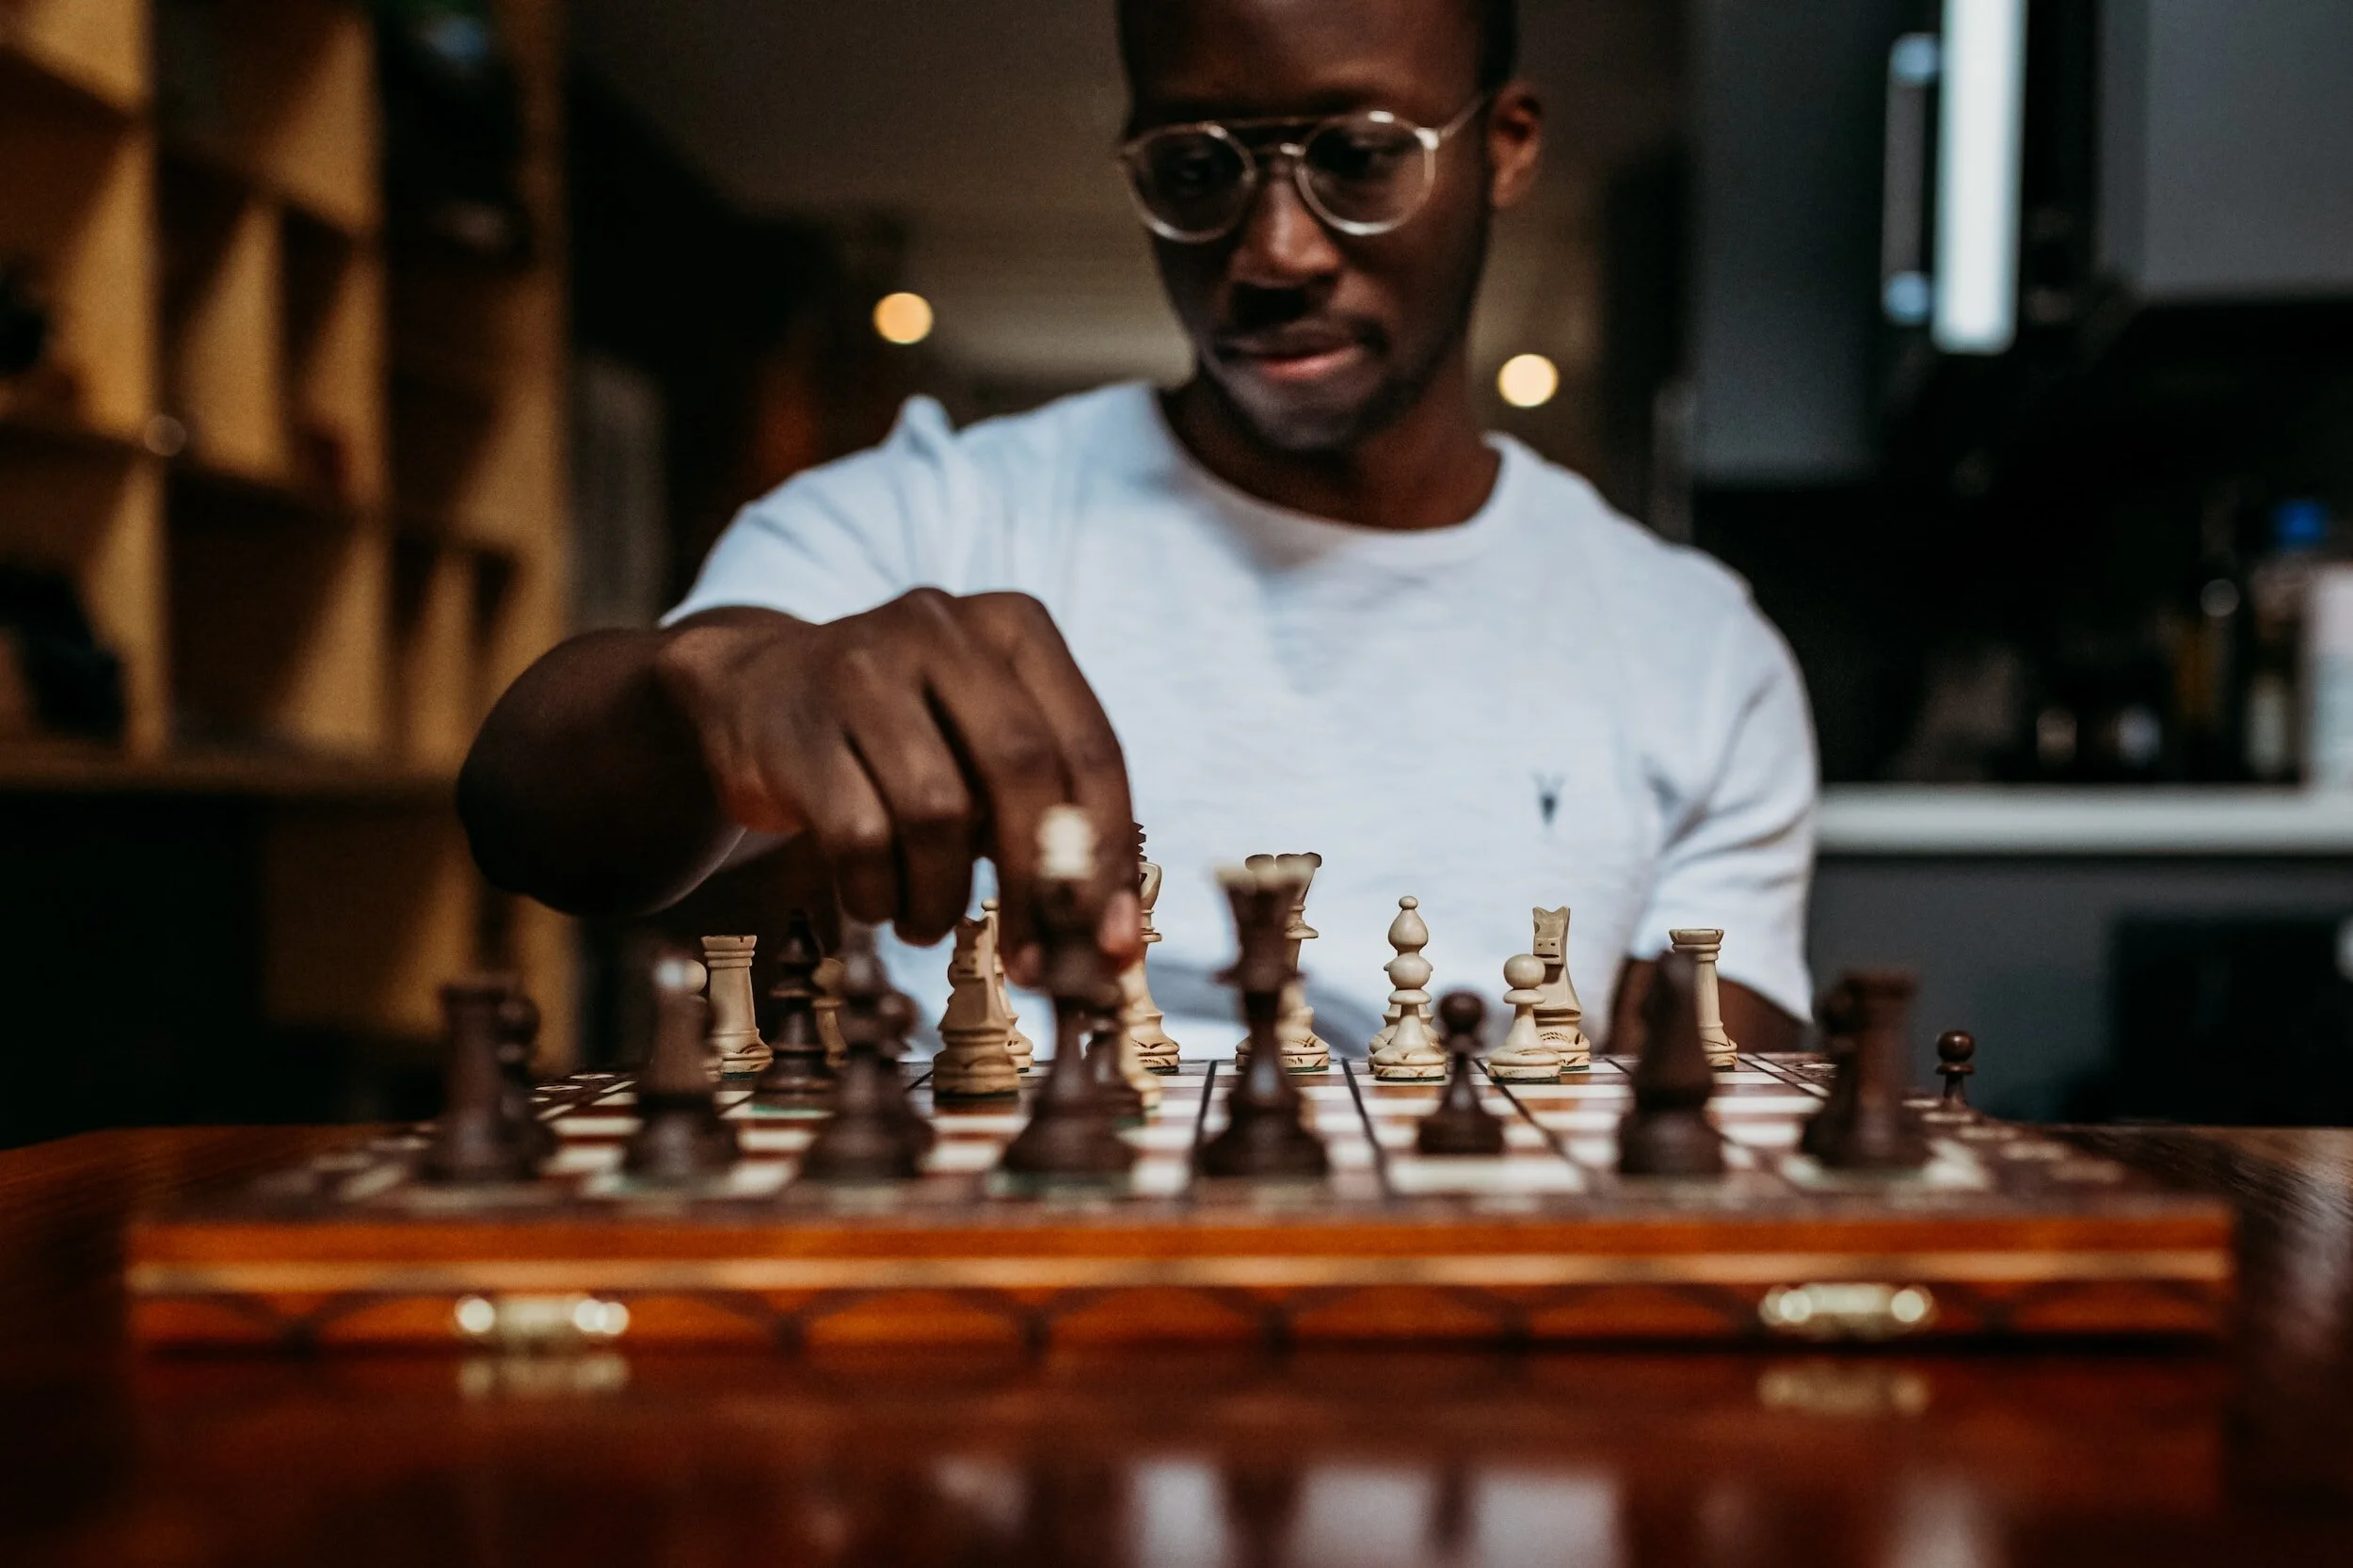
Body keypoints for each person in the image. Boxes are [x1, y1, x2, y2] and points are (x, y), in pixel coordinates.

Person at [459, 0, 1816, 1052]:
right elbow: (529, 814)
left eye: (1357, 157)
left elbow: (1718, 1130)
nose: (1276, 248)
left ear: (1505, 147)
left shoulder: (1695, 650)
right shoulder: (932, 515)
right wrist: (722, 685)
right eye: (1196, 165)